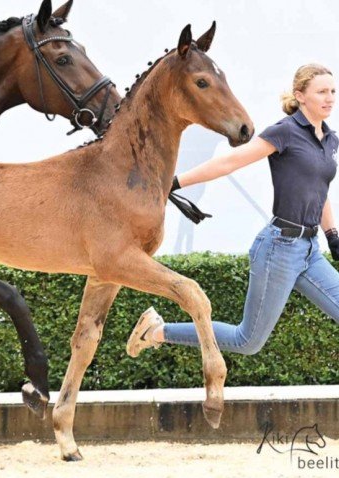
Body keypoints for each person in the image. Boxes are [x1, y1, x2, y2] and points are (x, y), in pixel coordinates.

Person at [127, 63, 339, 356]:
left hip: (309, 250)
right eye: (321, 92)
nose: (329, 98)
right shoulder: (285, 132)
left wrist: (332, 234)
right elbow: (229, 162)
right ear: (300, 96)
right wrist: (173, 183)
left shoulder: (329, 140)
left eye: (332, 91)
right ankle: (157, 331)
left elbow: (319, 188)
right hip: (279, 249)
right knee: (247, 341)